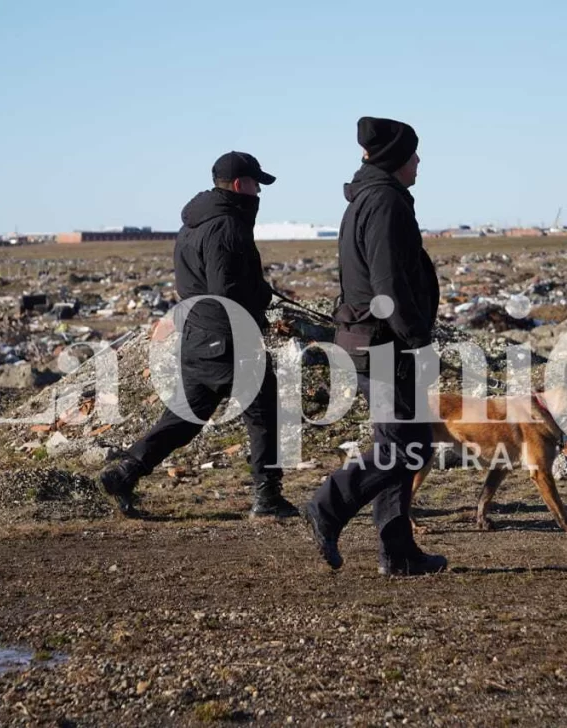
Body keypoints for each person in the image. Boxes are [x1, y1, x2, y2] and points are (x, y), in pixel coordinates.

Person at [99, 151, 298, 520]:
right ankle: (267, 498)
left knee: (185, 417)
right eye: (256, 184)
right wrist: (260, 297)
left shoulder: (193, 223)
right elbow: (229, 291)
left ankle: (124, 472)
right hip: (229, 336)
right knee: (264, 413)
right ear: (240, 185)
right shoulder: (228, 226)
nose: (259, 192)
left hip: (198, 335)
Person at [304, 117, 448, 576]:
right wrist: (417, 337)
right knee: (410, 448)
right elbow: (388, 286)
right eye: (413, 154)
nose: (419, 161)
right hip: (387, 345)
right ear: (396, 159)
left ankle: (398, 552)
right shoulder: (385, 202)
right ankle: (327, 506)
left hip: (371, 340)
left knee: (399, 443)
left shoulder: (368, 199)